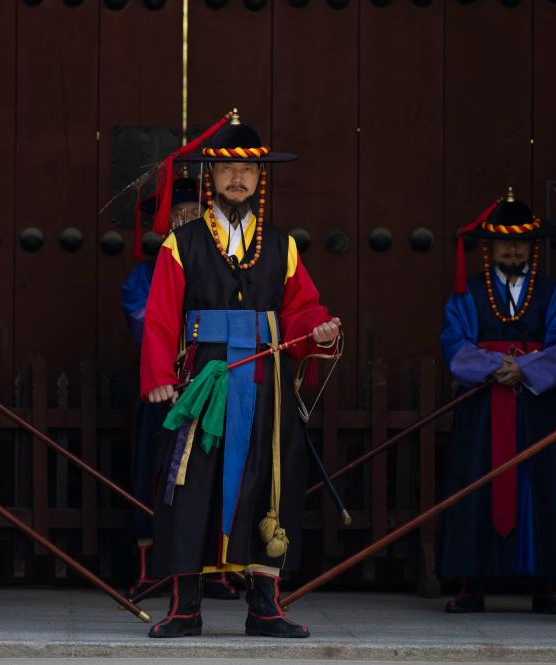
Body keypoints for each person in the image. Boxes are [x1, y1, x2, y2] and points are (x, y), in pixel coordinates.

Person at [140, 112, 340, 638]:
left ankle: (265, 605)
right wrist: (160, 371)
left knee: (269, 479)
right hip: (207, 376)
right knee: (191, 481)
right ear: (211, 176)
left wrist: (317, 330)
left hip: (266, 379)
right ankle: (186, 605)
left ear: (259, 178)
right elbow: (161, 314)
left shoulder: (282, 245)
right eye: (227, 169)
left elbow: (301, 309)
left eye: (247, 170)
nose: (237, 178)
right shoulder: (181, 244)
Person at [438, 187, 556, 615]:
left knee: (543, 489)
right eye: (504, 240)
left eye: (521, 241)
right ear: (491, 245)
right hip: (481, 404)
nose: (513, 248)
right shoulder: (466, 293)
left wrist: (525, 370)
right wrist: (496, 366)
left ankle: (546, 584)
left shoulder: (553, 293)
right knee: (474, 487)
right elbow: (453, 342)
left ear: (532, 246)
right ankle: (468, 582)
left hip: (536, 405)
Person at [121, 176, 240, 601]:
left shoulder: (222, 262)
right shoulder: (146, 274)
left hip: (211, 384)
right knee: (158, 475)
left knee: (213, 471)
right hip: (168, 390)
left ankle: (216, 569)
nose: (188, 222)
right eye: (180, 217)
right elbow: (146, 322)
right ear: (164, 224)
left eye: (195, 215)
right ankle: (153, 569)